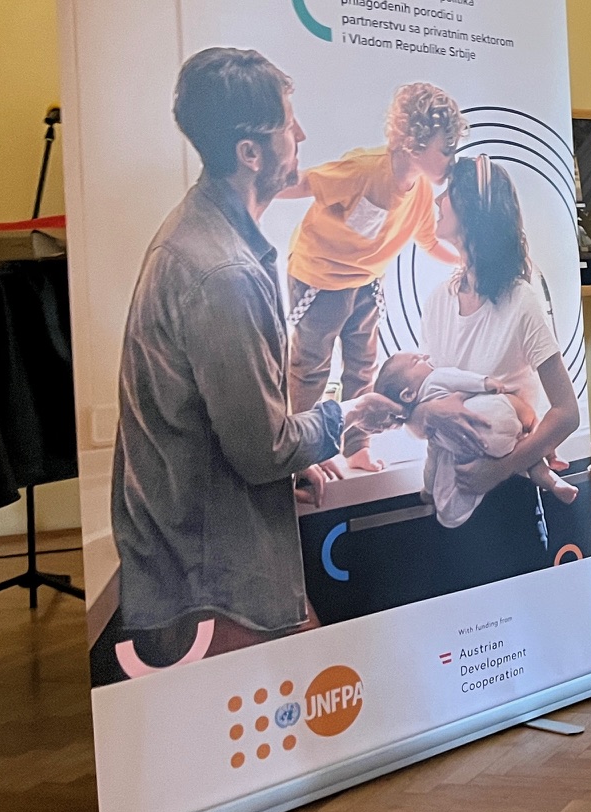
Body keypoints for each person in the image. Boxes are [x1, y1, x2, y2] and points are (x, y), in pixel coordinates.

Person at [110, 49, 402, 657]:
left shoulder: (199, 234)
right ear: (251, 152)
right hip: (212, 575)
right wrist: (348, 417)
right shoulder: (224, 274)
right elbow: (262, 449)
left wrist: (290, 456)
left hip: (199, 546)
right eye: (289, 124)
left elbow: (236, 426)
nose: (301, 136)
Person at [281, 81, 464, 469]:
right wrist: (253, 195)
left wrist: (468, 261)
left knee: (362, 366)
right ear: (414, 143)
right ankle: (305, 453)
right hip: (320, 280)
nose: (452, 158)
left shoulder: (420, 195)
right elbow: (305, 184)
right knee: (312, 368)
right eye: (445, 149)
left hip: (366, 283)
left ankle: (356, 445)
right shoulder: (363, 170)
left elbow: (430, 243)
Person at [416, 155, 583, 526]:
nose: (437, 202)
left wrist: (500, 470)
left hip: (509, 501)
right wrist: (430, 412)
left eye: (448, 194)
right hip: (452, 492)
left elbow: (566, 413)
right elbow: (426, 397)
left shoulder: (521, 300)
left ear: (474, 211)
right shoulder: (436, 301)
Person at [364, 350, 580, 526]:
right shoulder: (435, 378)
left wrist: (429, 490)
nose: (426, 357)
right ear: (408, 395)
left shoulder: (435, 427)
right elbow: (459, 378)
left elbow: (431, 461)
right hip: (501, 414)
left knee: (515, 447)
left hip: (484, 447)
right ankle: (553, 481)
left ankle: (551, 477)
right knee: (527, 442)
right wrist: (485, 383)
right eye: (416, 361)